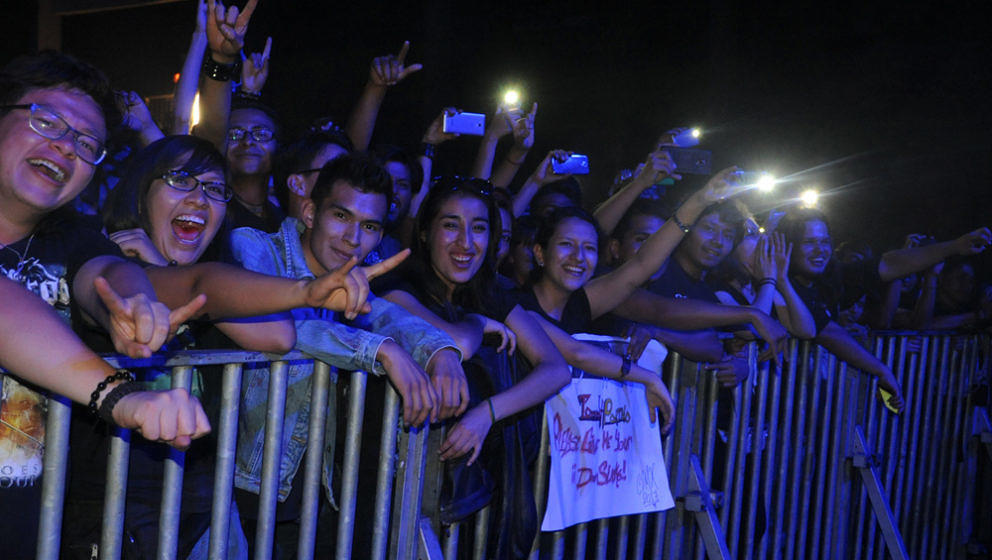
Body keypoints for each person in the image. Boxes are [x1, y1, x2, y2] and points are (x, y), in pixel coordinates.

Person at [228, 152, 468, 557]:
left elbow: (388, 316)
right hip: (238, 484)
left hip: (310, 492)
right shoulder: (254, 247)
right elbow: (286, 327)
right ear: (309, 211)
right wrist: (383, 351)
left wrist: (442, 353)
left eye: (370, 226)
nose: (353, 238)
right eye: (341, 216)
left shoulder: (352, 274)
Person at [381, 176, 570, 558]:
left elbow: (556, 368)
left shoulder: (490, 290)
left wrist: (487, 413)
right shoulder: (398, 285)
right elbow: (459, 342)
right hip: (393, 488)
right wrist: (479, 323)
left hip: (475, 486)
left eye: (479, 228)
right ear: (424, 232)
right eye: (451, 225)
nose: (466, 243)